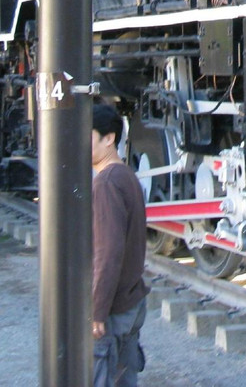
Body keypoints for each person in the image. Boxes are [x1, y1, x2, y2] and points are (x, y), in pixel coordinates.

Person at [91, 103, 148, 387]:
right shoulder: (127, 175)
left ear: (108, 138)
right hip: (132, 300)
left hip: (114, 309)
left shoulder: (106, 183)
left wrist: (97, 310)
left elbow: (107, 252)